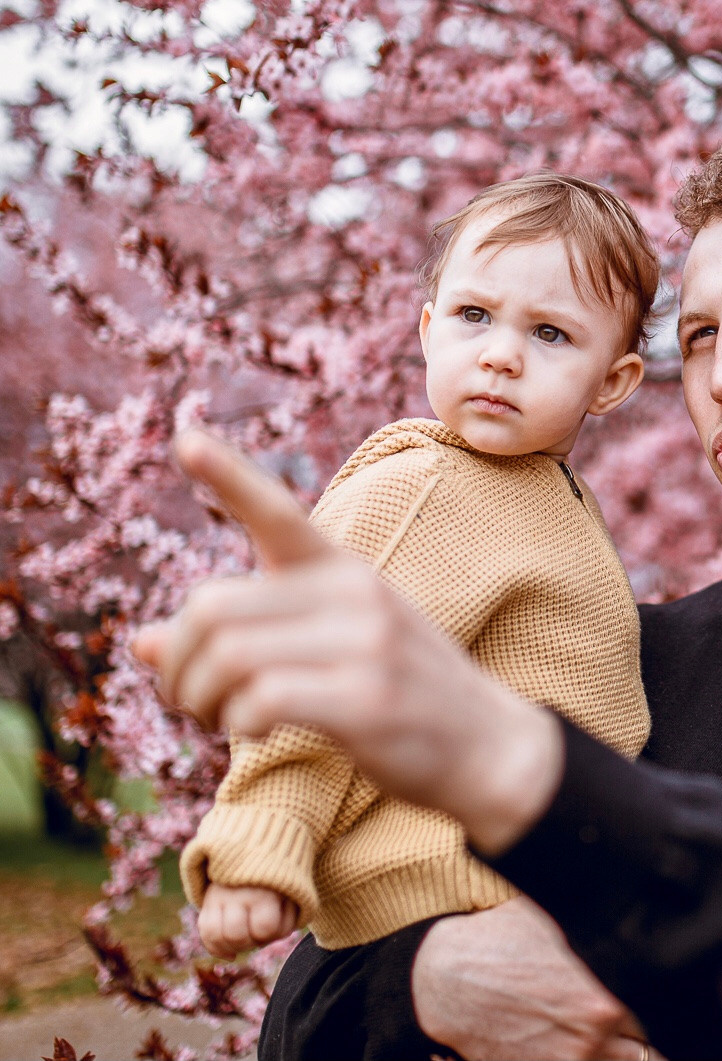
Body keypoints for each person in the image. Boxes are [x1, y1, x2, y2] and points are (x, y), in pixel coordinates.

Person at [142, 131, 722, 1060]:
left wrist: (530, 776)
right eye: (701, 335)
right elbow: (303, 1009)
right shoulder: (633, 659)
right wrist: (422, 985)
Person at [176, 176, 661, 1050]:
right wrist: (261, 836)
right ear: (429, 328)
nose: (501, 355)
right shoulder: (424, 485)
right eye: (475, 316)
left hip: (538, 901)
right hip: (437, 901)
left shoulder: (546, 497)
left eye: (550, 333)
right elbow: (318, 669)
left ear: (614, 380)